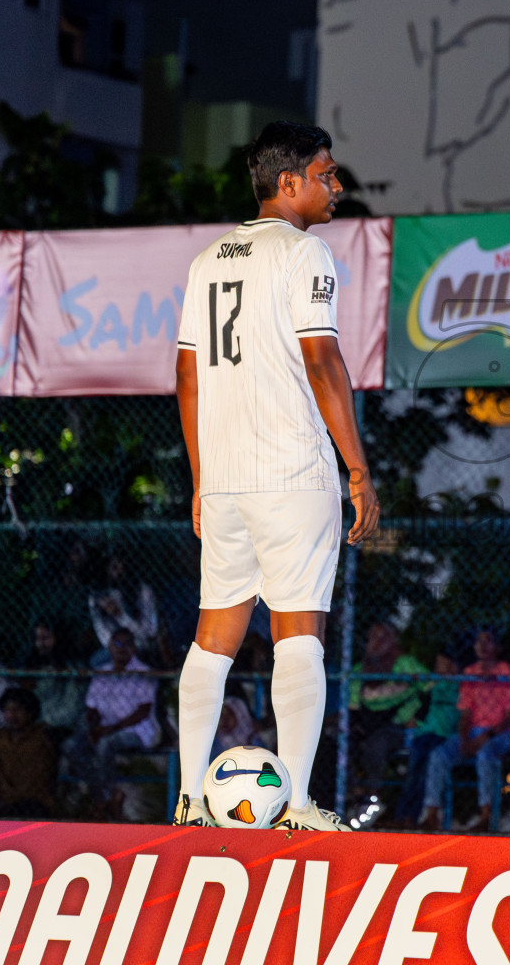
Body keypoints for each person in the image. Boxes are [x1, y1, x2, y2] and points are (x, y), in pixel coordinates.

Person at [171, 120, 379, 830]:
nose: (336, 186)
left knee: (213, 637)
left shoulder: (207, 261)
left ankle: (193, 797)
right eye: (326, 173)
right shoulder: (305, 252)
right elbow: (321, 359)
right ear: (287, 182)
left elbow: (187, 378)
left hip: (225, 476)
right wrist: (358, 469)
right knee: (298, 633)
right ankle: (296, 803)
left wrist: (201, 478)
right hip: (291, 470)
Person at [422, 630, 510, 831]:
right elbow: (465, 712)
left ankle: (486, 814)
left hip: (502, 732)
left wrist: (485, 737)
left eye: (488, 641)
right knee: (439, 755)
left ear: (497, 647)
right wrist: (464, 738)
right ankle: (431, 813)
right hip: (474, 731)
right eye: (479, 641)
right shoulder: (470, 672)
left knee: (486, 754)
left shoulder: (506, 672)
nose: (483, 646)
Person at [65, 627, 162, 820]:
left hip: (136, 730)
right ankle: (105, 796)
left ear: (134, 648)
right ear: (109, 647)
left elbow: (142, 712)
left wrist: (110, 729)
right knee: (70, 746)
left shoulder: (144, 672)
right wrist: (93, 728)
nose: (121, 648)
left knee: (105, 744)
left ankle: (105, 800)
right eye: (117, 644)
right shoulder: (102, 672)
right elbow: (92, 708)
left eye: (127, 644)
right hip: (105, 727)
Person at [348, 623, 427, 798]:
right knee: (337, 741)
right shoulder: (359, 671)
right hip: (368, 724)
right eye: (372, 638)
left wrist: (417, 716)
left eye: (382, 637)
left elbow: (431, 688)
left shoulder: (405, 663)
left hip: (400, 725)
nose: (376, 643)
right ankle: (350, 793)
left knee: (377, 744)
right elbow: (353, 708)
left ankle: (372, 794)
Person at [391, 649, 461, 827]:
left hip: (444, 736)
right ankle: (403, 815)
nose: (438, 668)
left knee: (427, 768)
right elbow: (418, 695)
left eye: (442, 664)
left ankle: (415, 815)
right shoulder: (432, 685)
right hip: (425, 734)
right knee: (414, 769)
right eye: (437, 665)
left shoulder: (460, 686)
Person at [0, 687, 58, 818]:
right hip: (4, 801)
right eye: (8, 710)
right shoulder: (1, 739)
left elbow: (36, 784)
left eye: (18, 710)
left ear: (30, 713)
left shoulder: (39, 741)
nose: (11, 716)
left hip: (32, 803)